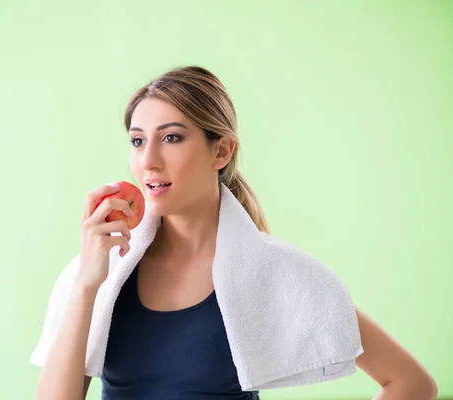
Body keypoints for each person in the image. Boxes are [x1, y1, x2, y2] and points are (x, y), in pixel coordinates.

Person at [32, 66, 438, 400]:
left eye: (171, 137)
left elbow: (412, 384)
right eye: (138, 141)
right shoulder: (100, 272)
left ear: (221, 151)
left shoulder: (272, 271)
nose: (149, 161)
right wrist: (87, 284)